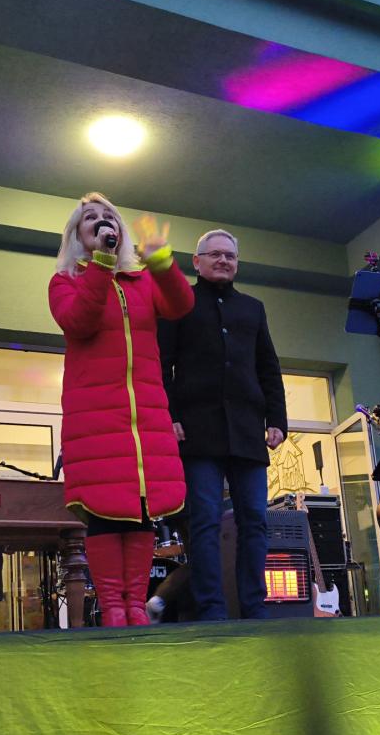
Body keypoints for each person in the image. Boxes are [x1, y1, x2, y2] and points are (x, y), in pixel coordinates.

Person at [49, 192, 194, 627]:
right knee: (104, 513)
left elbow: (181, 305)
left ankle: (135, 606)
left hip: (145, 418)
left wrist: (161, 261)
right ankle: (113, 606)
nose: (101, 221)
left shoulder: (142, 280)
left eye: (108, 216)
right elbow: (80, 321)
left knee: (142, 512)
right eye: (90, 218)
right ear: (78, 235)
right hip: (95, 418)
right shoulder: (65, 281)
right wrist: (101, 265)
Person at [159, 229, 287, 620]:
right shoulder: (179, 304)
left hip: (248, 431)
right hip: (197, 431)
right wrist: (169, 416)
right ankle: (211, 609)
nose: (223, 261)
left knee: (255, 521)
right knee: (204, 522)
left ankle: (255, 606)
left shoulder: (253, 308)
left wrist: (277, 419)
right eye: (214, 254)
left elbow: (268, 367)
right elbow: (163, 365)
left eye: (230, 256)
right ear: (196, 262)